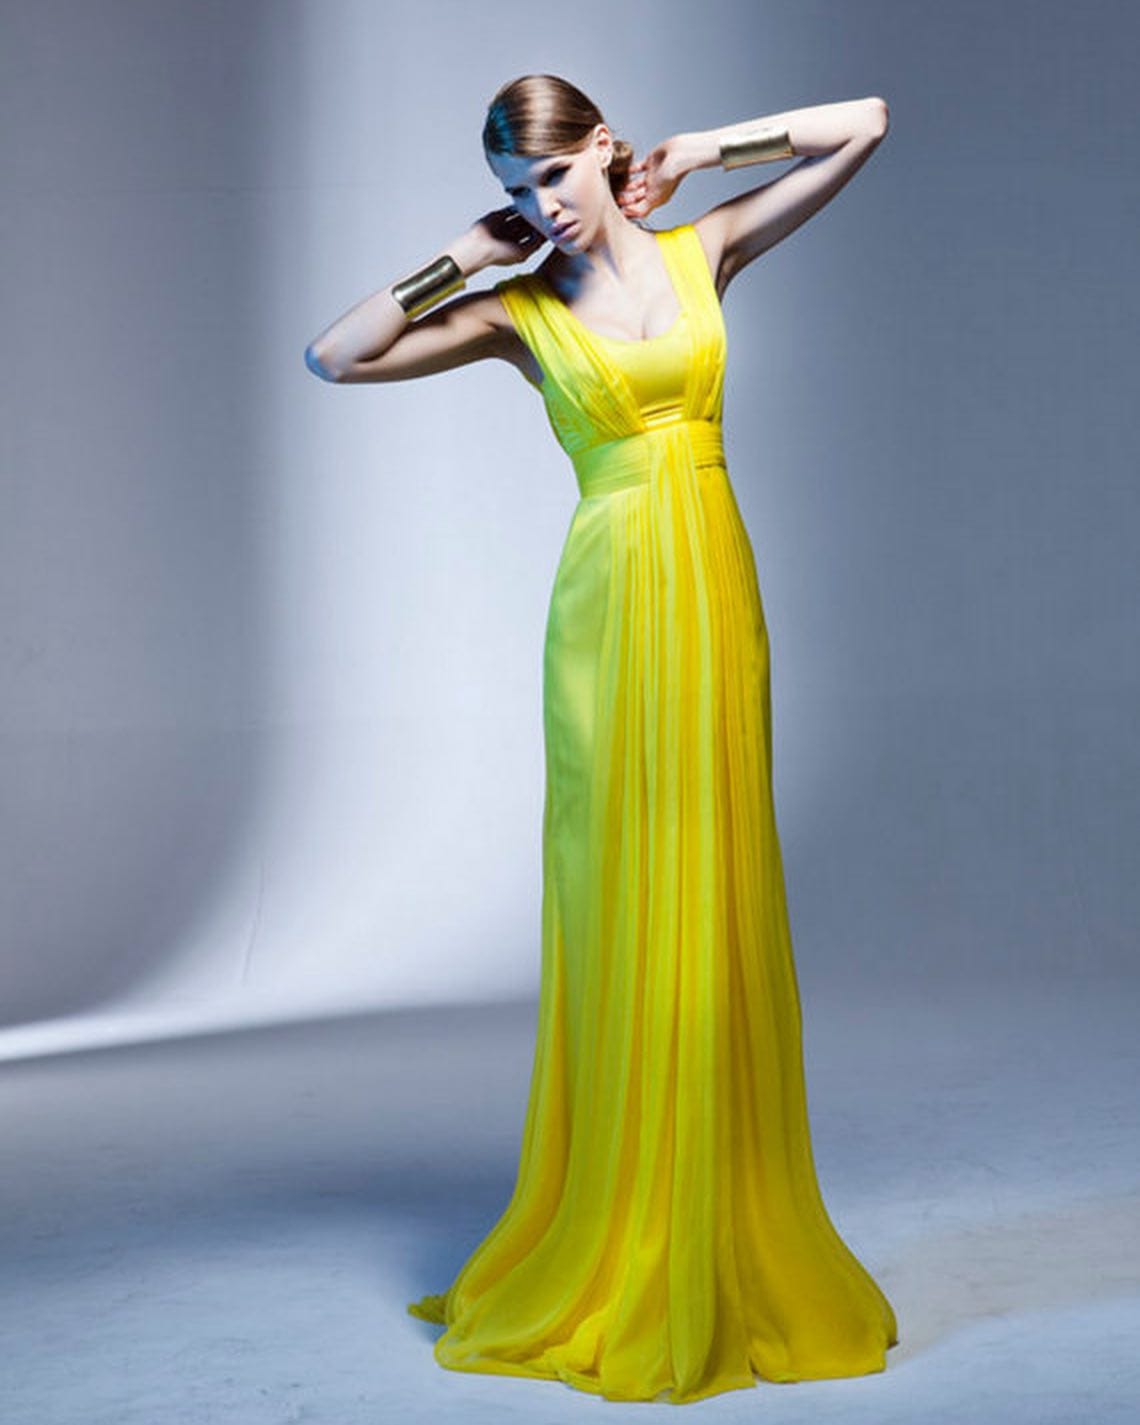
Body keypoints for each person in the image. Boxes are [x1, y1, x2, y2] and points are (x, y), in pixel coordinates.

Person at [305, 72, 895, 1406]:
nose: (546, 207)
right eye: (518, 192)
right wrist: (462, 255)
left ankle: (718, 1217)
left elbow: (863, 124)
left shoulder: (704, 251)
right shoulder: (520, 313)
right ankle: (623, 1225)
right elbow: (336, 357)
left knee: (717, 883)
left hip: (717, 595)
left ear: (603, 150)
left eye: (556, 178)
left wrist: (701, 150)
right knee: (620, 890)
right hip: (610, 614)